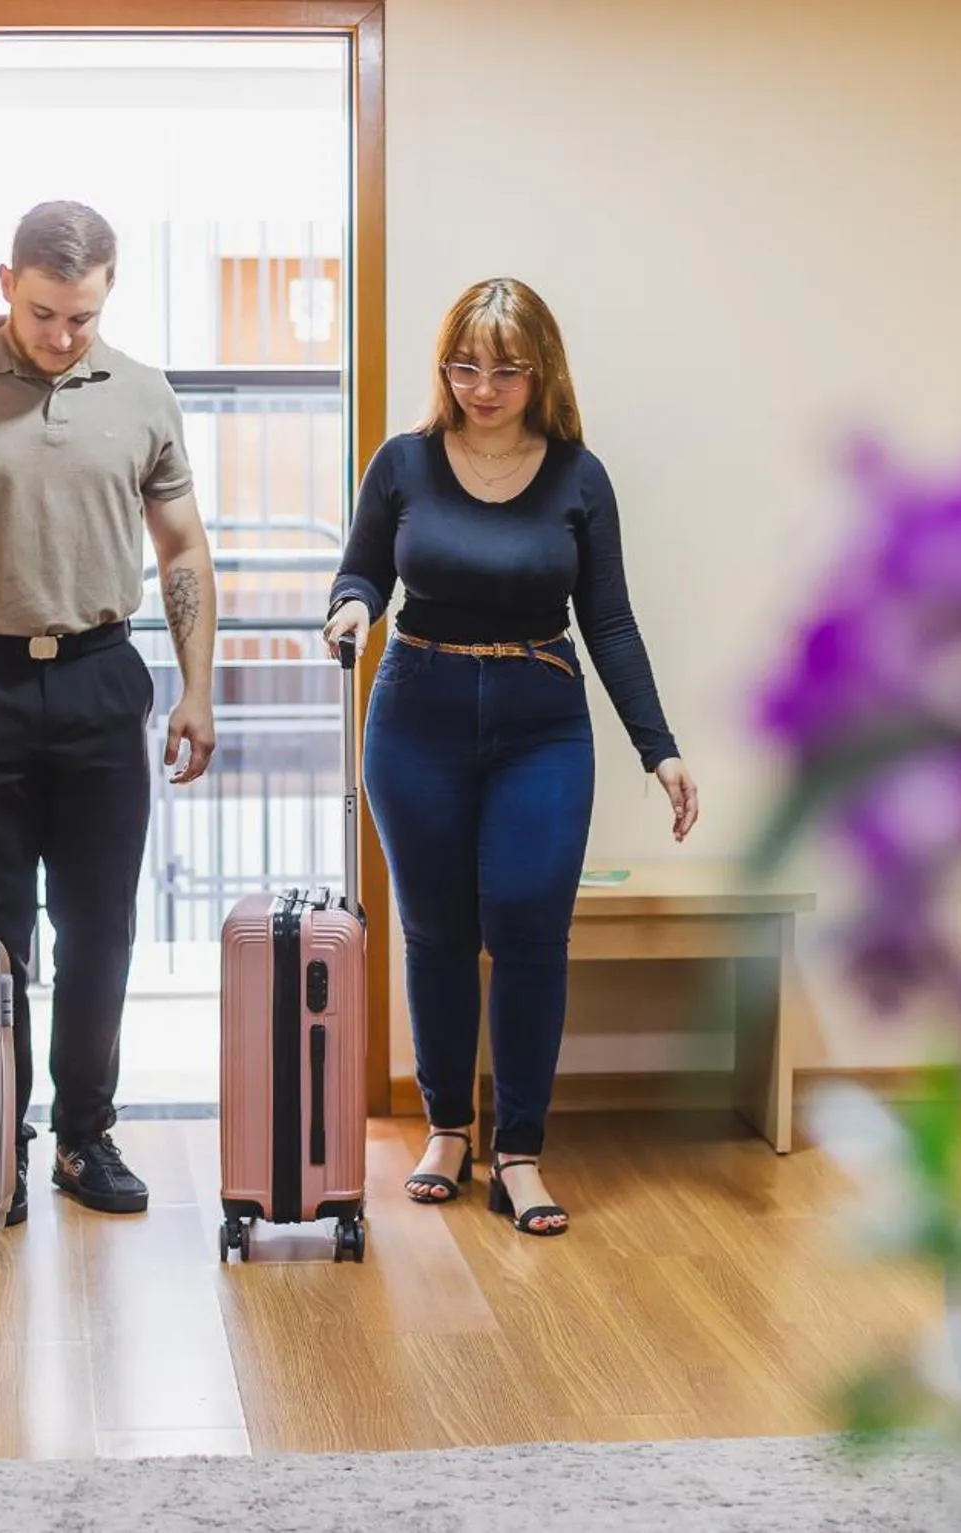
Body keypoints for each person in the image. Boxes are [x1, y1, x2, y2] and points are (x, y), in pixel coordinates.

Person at [0, 200, 218, 1224]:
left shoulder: (142, 393)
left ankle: (84, 1137)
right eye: (44, 314)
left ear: (107, 296)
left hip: (102, 678)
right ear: (6, 284)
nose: (62, 337)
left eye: (82, 318)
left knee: (100, 929)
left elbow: (182, 548)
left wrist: (197, 688)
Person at [322, 277, 698, 1237]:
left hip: (541, 723)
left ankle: (520, 1151)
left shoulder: (579, 477)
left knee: (530, 927)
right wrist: (353, 608)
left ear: (543, 373)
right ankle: (448, 1129)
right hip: (416, 714)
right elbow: (362, 568)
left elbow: (609, 621)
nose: (482, 389)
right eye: (464, 367)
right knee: (437, 930)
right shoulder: (403, 462)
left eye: (505, 371)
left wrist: (658, 748)